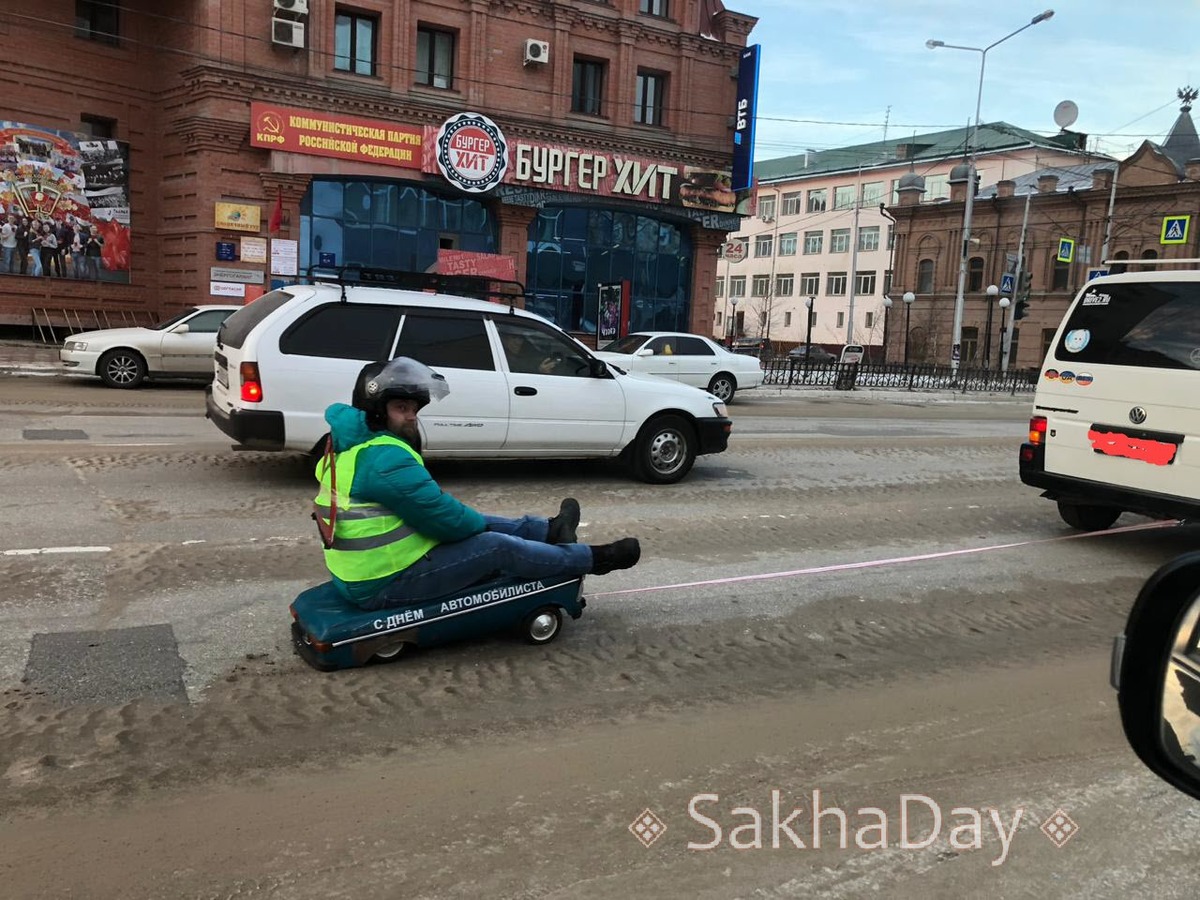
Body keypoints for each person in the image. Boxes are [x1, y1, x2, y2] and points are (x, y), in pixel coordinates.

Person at [313, 357, 641, 611]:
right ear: (377, 411)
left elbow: (435, 513)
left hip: (366, 571)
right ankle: (596, 558)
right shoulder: (383, 459)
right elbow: (449, 523)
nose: (411, 417)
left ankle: (549, 530)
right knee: (493, 545)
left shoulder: (349, 444)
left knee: (474, 521)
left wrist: (471, 522)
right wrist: (475, 526)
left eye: (413, 409)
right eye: (401, 409)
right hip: (382, 583)